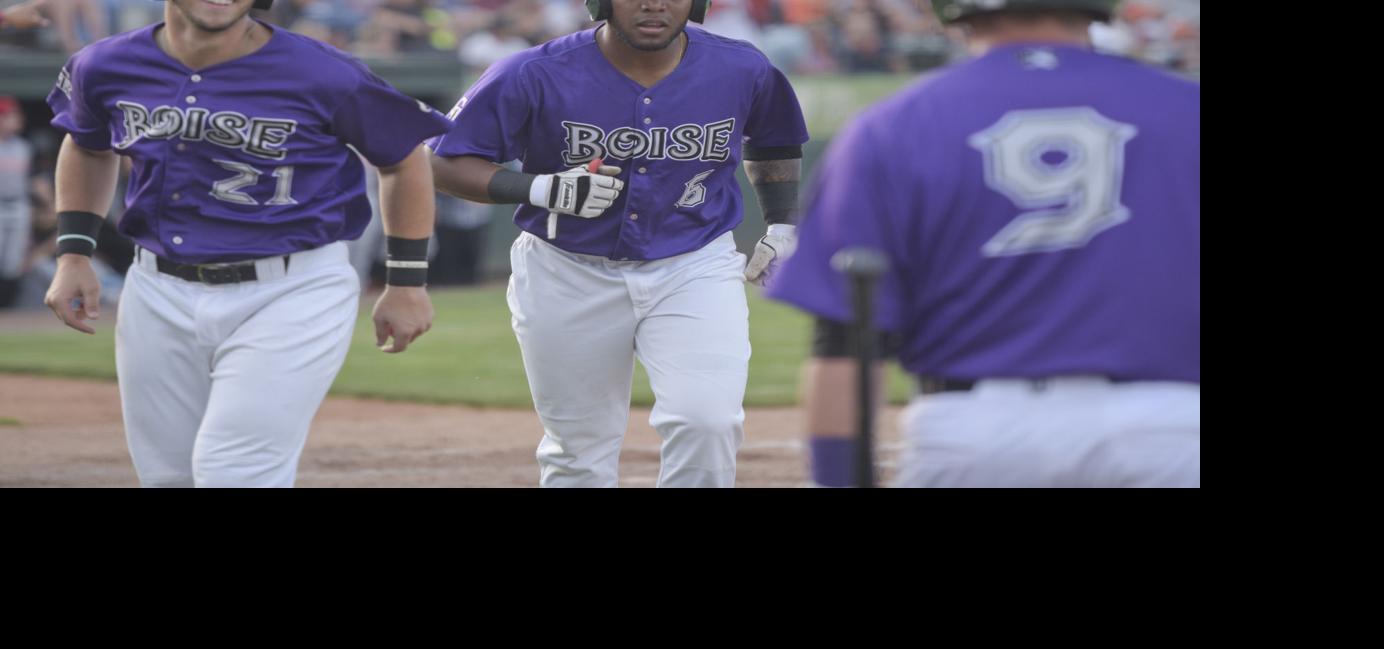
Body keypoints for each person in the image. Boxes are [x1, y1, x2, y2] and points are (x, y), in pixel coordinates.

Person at [766, 0, 1200, 487]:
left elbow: (845, 341)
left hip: (978, 434)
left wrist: (835, 480)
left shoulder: (892, 125)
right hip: (1172, 429)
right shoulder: (1188, 110)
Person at [43, 0, 453, 487]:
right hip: (157, 286)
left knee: (233, 468)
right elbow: (87, 145)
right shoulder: (105, 64)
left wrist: (406, 282)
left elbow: (404, 159)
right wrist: (73, 254)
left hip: (292, 288)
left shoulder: (323, 72)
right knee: (167, 476)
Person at [429, 0, 808, 488]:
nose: (653, 3)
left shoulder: (741, 66)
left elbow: (775, 141)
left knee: (708, 422)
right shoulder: (533, 71)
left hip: (693, 262)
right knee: (578, 451)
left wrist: (782, 226)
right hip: (565, 268)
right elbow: (442, 161)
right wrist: (541, 188)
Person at [0, 96, 30, 309]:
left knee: (13, 262)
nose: (15, 119)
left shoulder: (23, 146)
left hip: (19, 205)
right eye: (9, 115)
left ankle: (9, 313)